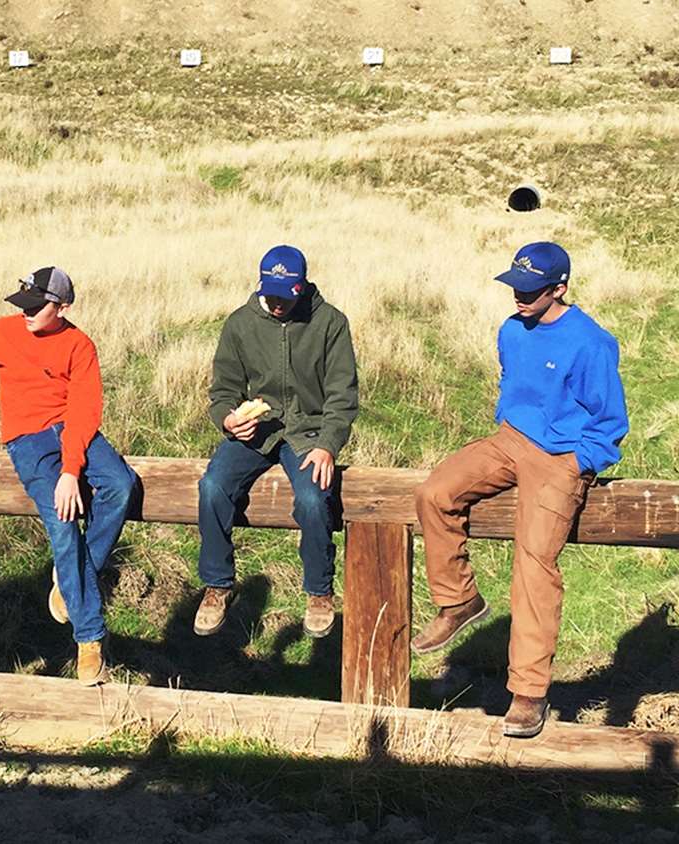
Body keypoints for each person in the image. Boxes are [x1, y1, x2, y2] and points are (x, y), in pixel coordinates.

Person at [412, 242, 628, 739]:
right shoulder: (512, 330)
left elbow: (610, 421)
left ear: (560, 288)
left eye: (530, 289)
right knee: (433, 493)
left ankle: (529, 691)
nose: (519, 296)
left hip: (561, 456)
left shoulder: (591, 342)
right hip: (510, 438)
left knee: (533, 563)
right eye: (514, 286)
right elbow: (512, 381)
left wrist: (579, 463)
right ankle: (458, 600)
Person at [0, 266, 138, 686]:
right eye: (24, 304)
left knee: (121, 484)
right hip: (27, 439)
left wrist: (71, 470)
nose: (27, 313)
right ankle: (90, 639)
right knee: (62, 524)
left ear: (64, 307)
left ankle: (70, 576)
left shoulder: (79, 345)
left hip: (72, 428)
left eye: (38, 306)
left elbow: (84, 410)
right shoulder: (2, 332)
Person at [195, 245, 359, 640]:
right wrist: (230, 420)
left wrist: (328, 445)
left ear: (302, 287)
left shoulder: (330, 323)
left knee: (312, 498)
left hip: (309, 434)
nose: (278, 302)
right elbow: (223, 392)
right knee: (213, 485)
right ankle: (218, 584)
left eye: (287, 294)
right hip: (257, 431)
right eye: (271, 293)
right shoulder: (239, 323)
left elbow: (342, 393)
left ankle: (319, 591)